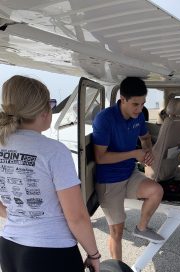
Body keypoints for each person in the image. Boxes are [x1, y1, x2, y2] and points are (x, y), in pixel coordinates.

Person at [0, 75, 101, 272]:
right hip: (50, 253)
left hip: (9, 249)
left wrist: (21, 215)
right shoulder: (53, 150)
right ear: (43, 111)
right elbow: (77, 216)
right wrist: (93, 254)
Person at [92, 77, 164, 260]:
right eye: (135, 104)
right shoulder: (104, 119)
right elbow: (100, 158)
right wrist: (134, 154)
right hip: (109, 181)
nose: (140, 109)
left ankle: (141, 228)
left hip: (129, 173)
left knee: (156, 191)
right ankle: (118, 267)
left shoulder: (138, 116)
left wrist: (148, 151)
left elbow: (146, 138)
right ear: (122, 99)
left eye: (143, 104)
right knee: (117, 232)